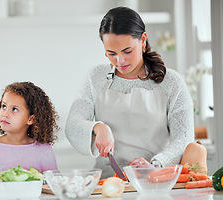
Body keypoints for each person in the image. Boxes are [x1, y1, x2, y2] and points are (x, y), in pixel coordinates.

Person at [65, 6, 195, 178]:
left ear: (143, 40)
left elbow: (184, 139)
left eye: (127, 51)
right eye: (111, 53)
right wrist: (97, 127)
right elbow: (73, 124)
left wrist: (156, 164)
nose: (120, 61)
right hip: (108, 182)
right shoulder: (96, 77)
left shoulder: (171, 82)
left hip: (156, 179)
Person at [0, 82, 59, 192]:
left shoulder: (44, 150)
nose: (5, 113)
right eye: (4, 106)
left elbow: (53, 188)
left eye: (14, 109)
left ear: (31, 119)